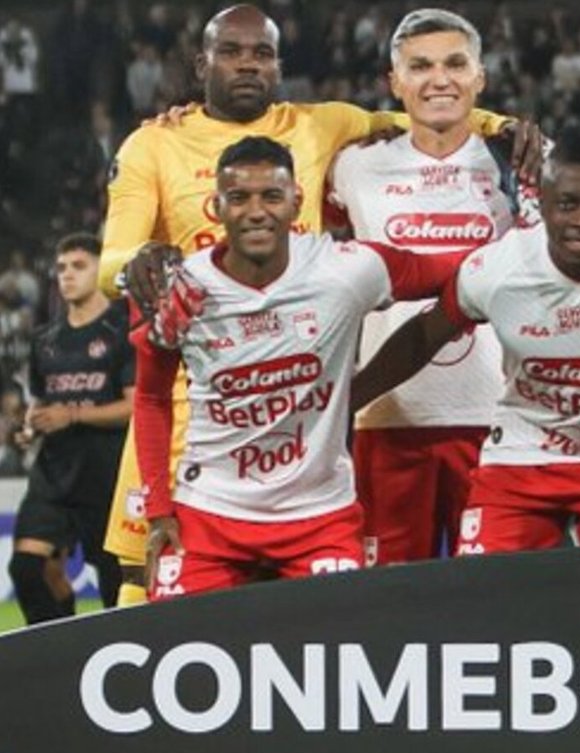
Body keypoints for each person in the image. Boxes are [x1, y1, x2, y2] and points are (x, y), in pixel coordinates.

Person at [99, 3, 527, 601]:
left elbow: (419, 105)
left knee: (325, 615)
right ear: (201, 65)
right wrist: (140, 265)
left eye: (262, 53)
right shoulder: (154, 144)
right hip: (194, 408)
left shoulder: (321, 126)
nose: (248, 65)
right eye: (231, 52)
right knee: (142, 581)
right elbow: (111, 265)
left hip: (303, 415)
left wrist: (501, 125)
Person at [354, 125, 580, 553]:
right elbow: (423, 337)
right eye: (568, 205)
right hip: (520, 460)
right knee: (485, 586)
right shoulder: (496, 268)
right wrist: (349, 398)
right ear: (543, 204)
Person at [133, 137, 466, 599]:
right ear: (217, 207)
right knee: (179, 639)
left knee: (340, 639)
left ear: (296, 202)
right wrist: (158, 511)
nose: (256, 212)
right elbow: (150, 397)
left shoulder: (345, 270)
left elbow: (461, 275)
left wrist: (357, 391)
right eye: (239, 198)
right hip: (210, 514)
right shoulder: (180, 289)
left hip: (320, 517)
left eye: (271, 196)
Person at [330, 9, 519, 566]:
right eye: (420, 67)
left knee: (493, 595)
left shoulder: (523, 161)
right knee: (388, 598)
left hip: (499, 417)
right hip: (388, 415)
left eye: (455, 64)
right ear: (395, 83)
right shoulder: (352, 167)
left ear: (480, 77)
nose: (440, 80)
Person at [8, 235, 131, 623]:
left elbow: (134, 406)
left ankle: (109, 651)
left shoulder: (121, 330)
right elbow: (41, 400)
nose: (67, 275)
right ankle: (53, 649)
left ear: (100, 269)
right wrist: (31, 425)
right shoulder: (45, 339)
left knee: (114, 584)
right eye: (61, 268)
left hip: (106, 474)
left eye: (79, 266)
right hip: (54, 472)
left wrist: (73, 415)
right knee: (28, 569)